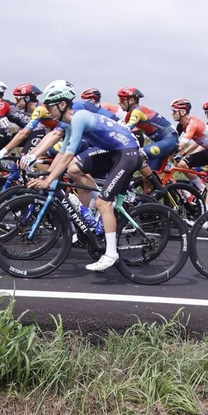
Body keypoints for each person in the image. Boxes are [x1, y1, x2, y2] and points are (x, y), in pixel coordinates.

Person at [26, 81, 142, 272]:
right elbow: (63, 155)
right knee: (73, 170)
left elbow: (69, 154)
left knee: (103, 203)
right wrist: (48, 175)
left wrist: (48, 181)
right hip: (114, 151)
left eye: (49, 106)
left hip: (128, 153)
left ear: (62, 105)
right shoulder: (70, 123)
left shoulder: (78, 118)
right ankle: (102, 204)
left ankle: (111, 253)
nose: (47, 110)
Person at [118, 88, 178, 178]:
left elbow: (127, 128)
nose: (119, 103)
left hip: (170, 140)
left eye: (122, 100)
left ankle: (159, 188)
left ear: (131, 100)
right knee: (146, 177)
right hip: (160, 142)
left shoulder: (138, 111)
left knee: (139, 156)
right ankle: (155, 191)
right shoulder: (128, 116)